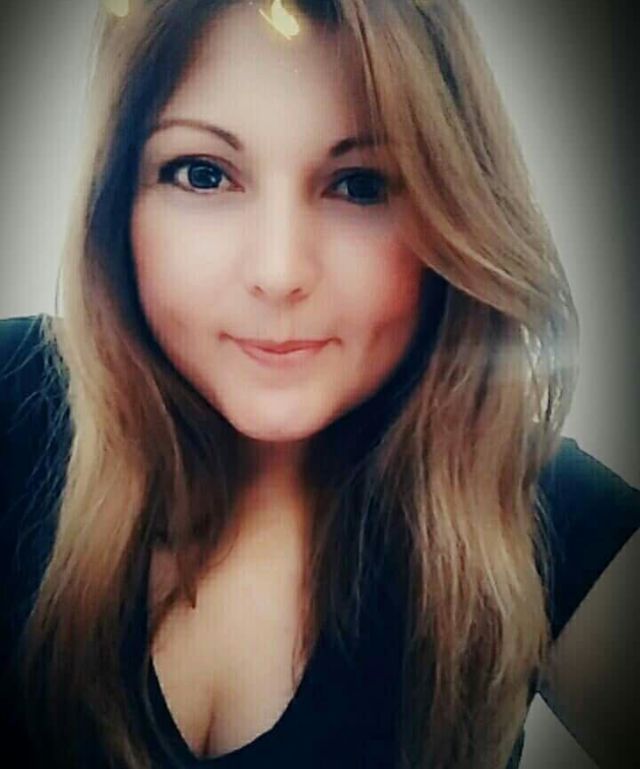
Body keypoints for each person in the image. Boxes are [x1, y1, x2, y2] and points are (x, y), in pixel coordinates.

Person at [0, 1, 638, 767]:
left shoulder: (535, 506)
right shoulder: (15, 394)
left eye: (360, 185)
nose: (279, 272)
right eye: (203, 174)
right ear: (116, 204)